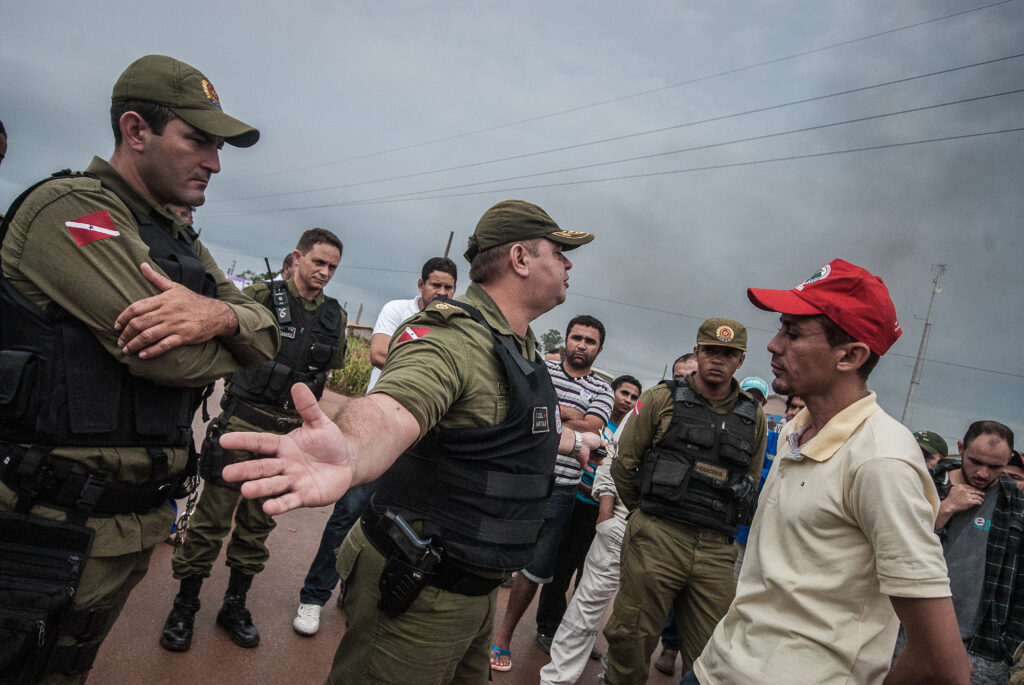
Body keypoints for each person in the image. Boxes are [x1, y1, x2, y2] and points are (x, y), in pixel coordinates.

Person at [220, 199, 600, 685]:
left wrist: (571, 441)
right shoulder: (451, 336)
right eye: (560, 251)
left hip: (477, 590)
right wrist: (351, 450)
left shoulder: (521, 344)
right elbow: (395, 406)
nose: (568, 263)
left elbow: (511, 424)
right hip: (420, 588)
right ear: (521, 259)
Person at [0, 54, 275, 684]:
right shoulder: (72, 210)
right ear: (135, 130)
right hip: (46, 524)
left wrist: (222, 319)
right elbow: (169, 357)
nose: (215, 162)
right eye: (198, 141)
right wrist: (231, 330)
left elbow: (268, 331)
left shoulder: (176, 236)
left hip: (128, 523)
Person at [689, 258, 970, 685]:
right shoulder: (794, 433)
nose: (773, 345)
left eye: (794, 333)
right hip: (716, 667)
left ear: (850, 356)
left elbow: (944, 665)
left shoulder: (882, 462)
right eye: (781, 327)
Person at [159, 228, 347, 652]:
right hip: (242, 425)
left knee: (256, 529)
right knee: (209, 525)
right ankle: (185, 606)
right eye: (318, 262)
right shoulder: (261, 298)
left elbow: (325, 375)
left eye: (333, 267)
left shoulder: (334, 317)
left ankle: (234, 605)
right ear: (298, 257)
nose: (325, 272)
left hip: (286, 438)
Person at [291, 256, 457, 636]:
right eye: (436, 285)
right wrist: (432, 367)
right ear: (421, 284)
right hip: (378, 428)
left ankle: (354, 595)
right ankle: (313, 597)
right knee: (347, 512)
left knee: (396, 527)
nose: (442, 292)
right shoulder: (398, 310)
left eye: (448, 287)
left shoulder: (453, 325)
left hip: (419, 439)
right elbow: (378, 353)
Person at [603, 317, 767, 684]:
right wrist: (647, 516)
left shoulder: (752, 415)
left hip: (715, 551)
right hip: (658, 537)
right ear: (697, 351)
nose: (717, 360)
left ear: (740, 360)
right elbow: (625, 465)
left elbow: (750, 480)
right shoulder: (661, 398)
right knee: (630, 640)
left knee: (715, 656)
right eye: (710, 350)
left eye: (728, 354)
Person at [491, 314, 614, 672]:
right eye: (577, 337)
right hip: (519, 475)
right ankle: (471, 628)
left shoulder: (603, 389)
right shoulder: (540, 367)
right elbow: (522, 409)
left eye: (590, 341)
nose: (582, 345)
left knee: (536, 566)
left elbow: (593, 426)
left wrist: (551, 411)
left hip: (562, 488)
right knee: (491, 548)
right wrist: (568, 413)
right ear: (566, 339)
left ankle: (503, 637)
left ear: (599, 348)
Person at [539, 376, 641, 685]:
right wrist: (605, 505)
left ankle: (582, 638)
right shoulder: (609, 427)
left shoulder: (622, 426)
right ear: (612, 394)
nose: (627, 399)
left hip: (605, 513)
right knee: (562, 567)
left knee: (588, 578)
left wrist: (576, 422)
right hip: (583, 503)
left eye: (633, 395)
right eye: (623, 392)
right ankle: (548, 626)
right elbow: (602, 458)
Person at [925, 421, 1023, 684]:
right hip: (912, 631)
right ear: (960, 448)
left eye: (995, 467)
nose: (982, 473)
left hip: (983, 646)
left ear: (1009, 459)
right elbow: (898, 550)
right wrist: (943, 510)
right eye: (975, 461)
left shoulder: (1015, 504)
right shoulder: (927, 486)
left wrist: (1009, 642)